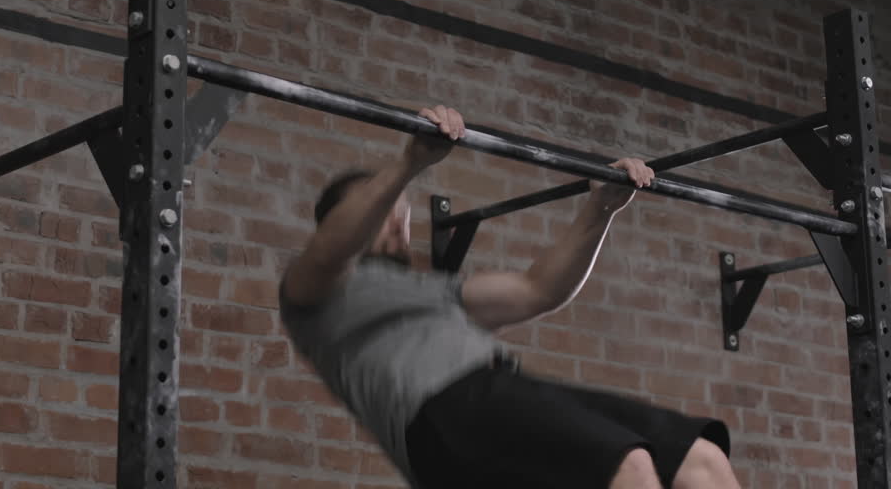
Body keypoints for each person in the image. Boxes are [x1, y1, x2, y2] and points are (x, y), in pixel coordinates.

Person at [279, 105, 738, 489]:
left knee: (701, 462)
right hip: (443, 417)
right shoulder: (312, 294)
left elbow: (539, 290)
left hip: (500, 395)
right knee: (629, 468)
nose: (400, 222)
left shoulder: (435, 292)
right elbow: (331, 251)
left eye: (403, 215)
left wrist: (601, 207)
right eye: (384, 210)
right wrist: (407, 166)